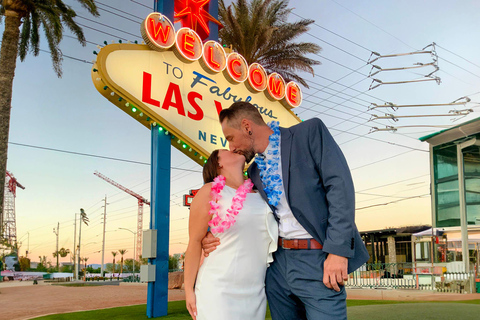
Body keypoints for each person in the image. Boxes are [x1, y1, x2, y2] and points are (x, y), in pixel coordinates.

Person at [202, 101, 370, 319]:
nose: (231, 147)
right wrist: (209, 234)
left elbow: (340, 187)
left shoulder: (308, 133)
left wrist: (338, 251)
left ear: (247, 126)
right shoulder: (253, 171)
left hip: (318, 260)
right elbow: (241, 212)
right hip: (276, 268)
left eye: (230, 138)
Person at [184, 149, 278, 320]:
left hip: (255, 293)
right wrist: (189, 290)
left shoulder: (261, 192)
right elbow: (195, 242)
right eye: (226, 151)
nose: (233, 149)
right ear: (218, 163)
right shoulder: (210, 191)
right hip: (218, 290)